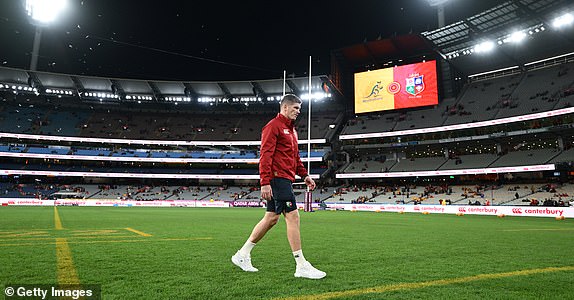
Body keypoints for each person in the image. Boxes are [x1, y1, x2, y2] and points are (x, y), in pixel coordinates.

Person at [231, 94, 326, 279]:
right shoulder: (273, 126)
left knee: (271, 219)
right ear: (285, 107)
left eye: (299, 108)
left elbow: (295, 158)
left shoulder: (292, 131)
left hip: (285, 178)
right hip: (277, 178)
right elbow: (265, 155)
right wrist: (265, 182)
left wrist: (305, 175)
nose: (299, 111)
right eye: (296, 108)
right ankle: (301, 265)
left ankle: (242, 255)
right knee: (293, 216)